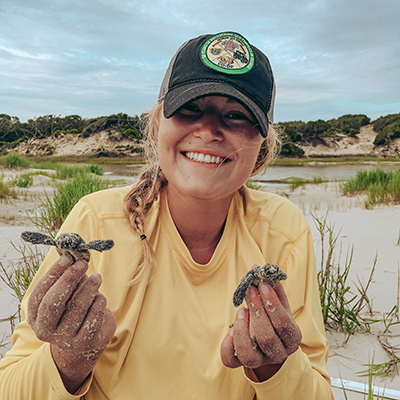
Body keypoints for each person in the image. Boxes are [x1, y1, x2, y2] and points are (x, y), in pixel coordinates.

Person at [0, 31, 334, 399]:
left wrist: (273, 366)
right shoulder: (96, 220)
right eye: (189, 108)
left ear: (262, 147)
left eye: (236, 116)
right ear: (158, 125)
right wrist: (68, 358)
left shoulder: (282, 232)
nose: (208, 130)